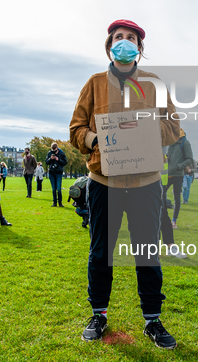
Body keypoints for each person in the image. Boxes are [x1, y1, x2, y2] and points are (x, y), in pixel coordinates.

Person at [69, 19, 180, 349]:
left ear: (139, 49)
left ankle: (152, 320)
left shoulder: (154, 83)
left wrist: (143, 132)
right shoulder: (93, 83)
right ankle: (98, 314)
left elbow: (174, 127)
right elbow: (76, 128)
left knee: (147, 252)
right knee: (101, 252)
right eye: (119, 37)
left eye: (131, 38)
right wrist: (96, 140)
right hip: (103, 181)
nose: (125, 42)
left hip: (146, 182)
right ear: (109, 45)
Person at [167, 128, 194, 227]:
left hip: (177, 175)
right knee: (159, 195)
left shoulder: (184, 142)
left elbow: (190, 159)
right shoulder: (169, 141)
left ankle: (174, 221)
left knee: (176, 198)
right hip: (166, 174)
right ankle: (160, 217)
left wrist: (179, 166)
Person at [46, 143, 67, 207]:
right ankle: (54, 202)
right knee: (53, 189)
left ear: (57, 148)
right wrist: (50, 159)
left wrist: (58, 159)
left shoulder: (61, 153)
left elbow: (65, 162)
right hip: (51, 172)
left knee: (59, 188)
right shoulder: (49, 153)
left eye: (54, 150)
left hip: (58, 172)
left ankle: (60, 202)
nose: (53, 151)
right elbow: (46, 162)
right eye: (52, 150)